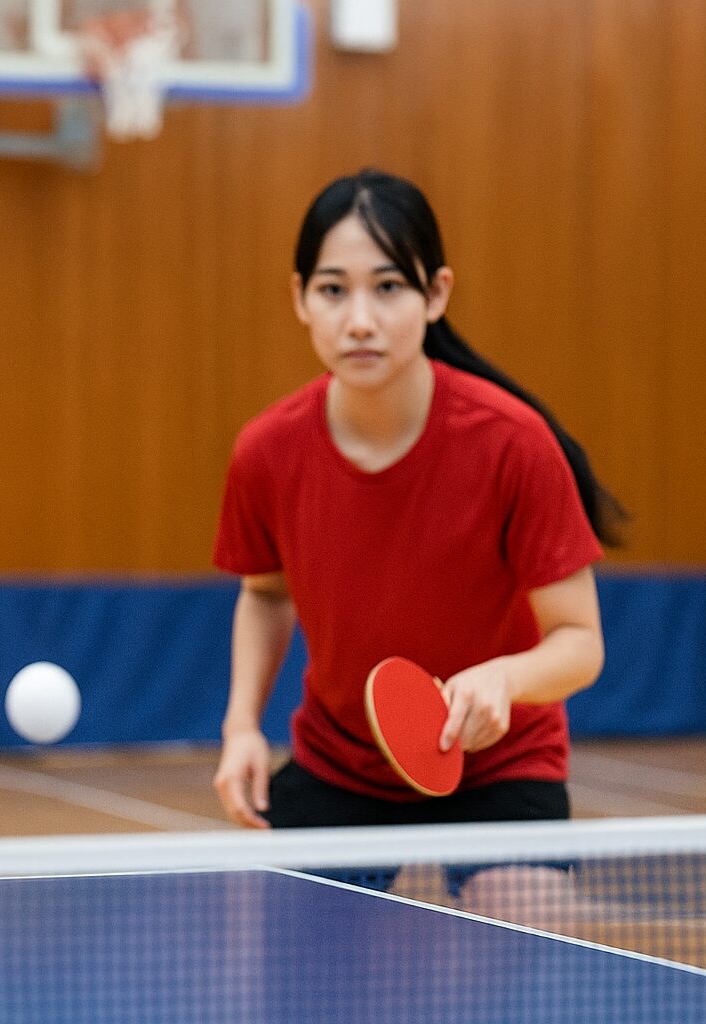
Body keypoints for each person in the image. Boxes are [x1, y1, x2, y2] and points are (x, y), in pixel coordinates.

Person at [211, 169, 625, 897]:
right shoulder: (266, 450)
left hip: (496, 763)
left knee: (527, 950)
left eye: (389, 288)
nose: (359, 320)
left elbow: (580, 642)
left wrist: (507, 677)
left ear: (435, 294)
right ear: (300, 300)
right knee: (265, 963)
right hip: (340, 765)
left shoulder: (513, 444)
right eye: (333, 290)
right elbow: (266, 595)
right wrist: (242, 725)